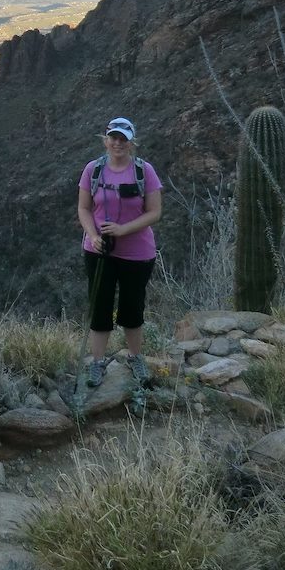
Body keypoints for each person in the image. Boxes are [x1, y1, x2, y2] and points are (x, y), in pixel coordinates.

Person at [77, 117, 163, 387]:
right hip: (99, 250)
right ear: (105, 140)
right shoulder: (93, 170)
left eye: (123, 139)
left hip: (137, 253)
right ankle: (97, 362)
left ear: (131, 142)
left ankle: (135, 357)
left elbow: (155, 212)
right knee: (100, 306)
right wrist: (93, 236)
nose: (118, 143)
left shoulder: (144, 171)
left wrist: (123, 230)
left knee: (133, 307)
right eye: (113, 138)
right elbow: (84, 208)